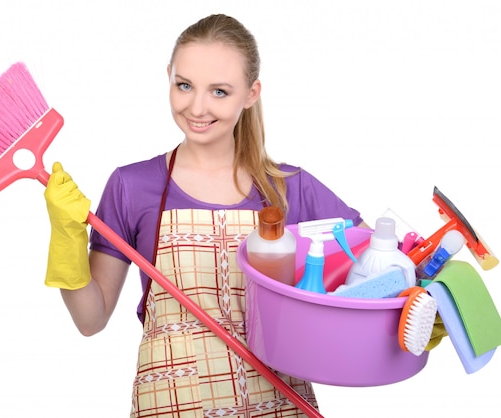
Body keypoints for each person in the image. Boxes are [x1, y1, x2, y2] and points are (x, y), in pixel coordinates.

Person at [44, 13, 369, 417]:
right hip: (171, 404)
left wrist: (414, 303)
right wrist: (66, 238)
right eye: (184, 85)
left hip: (278, 403)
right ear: (169, 77)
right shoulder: (132, 186)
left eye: (219, 91)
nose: (197, 107)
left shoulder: (289, 187)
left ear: (251, 93)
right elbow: (90, 320)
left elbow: (373, 269)